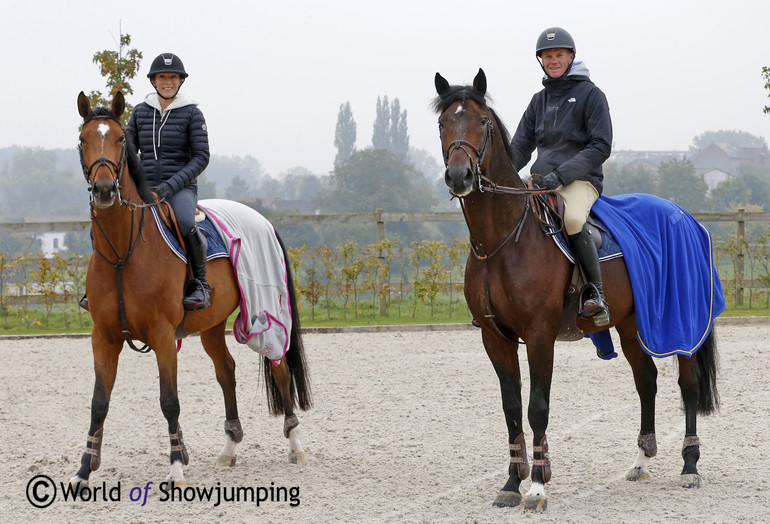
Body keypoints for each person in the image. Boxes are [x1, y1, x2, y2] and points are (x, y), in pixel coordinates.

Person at [510, 27, 613, 326]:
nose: (553, 60)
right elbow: (520, 147)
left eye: (559, 55)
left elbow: (600, 146)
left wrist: (561, 175)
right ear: (541, 60)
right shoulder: (538, 100)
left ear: (571, 57)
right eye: (547, 56)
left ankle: (596, 294)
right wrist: (498, 174)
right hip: (542, 182)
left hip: (581, 181)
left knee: (572, 220)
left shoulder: (591, 95)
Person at [123, 53, 212, 310]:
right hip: (144, 187)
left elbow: (201, 157)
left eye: (172, 77)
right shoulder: (140, 112)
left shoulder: (192, 114)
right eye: (162, 76)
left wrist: (170, 186)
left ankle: (200, 285)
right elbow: (127, 152)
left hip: (179, 188)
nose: (167, 81)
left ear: (180, 80)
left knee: (185, 221)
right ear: (153, 80)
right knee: (110, 218)